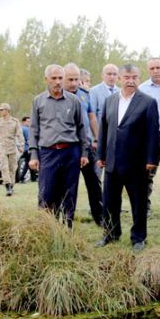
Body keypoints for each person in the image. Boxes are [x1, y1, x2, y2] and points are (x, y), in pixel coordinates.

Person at [96, 64, 160, 252]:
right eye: (127, 77)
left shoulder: (148, 102)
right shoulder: (110, 101)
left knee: (138, 203)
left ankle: (139, 238)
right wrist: (100, 154)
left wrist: (151, 160)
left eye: (135, 77)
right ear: (120, 79)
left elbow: (152, 134)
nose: (131, 81)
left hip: (137, 163)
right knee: (109, 201)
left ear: (139, 79)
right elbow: (104, 130)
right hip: (112, 162)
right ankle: (110, 234)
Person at [28, 64, 89, 227]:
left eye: (60, 78)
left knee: (69, 192)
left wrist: (84, 153)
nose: (57, 82)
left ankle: (67, 227)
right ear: (46, 79)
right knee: (47, 192)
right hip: (48, 153)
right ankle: (47, 228)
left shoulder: (74, 101)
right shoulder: (38, 101)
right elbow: (33, 130)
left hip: (71, 152)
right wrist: (34, 155)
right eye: (53, 78)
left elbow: (81, 127)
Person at [64, 63, 104, 225]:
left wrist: (97, 138)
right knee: (68, 186)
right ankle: (67, 218)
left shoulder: (85, 95)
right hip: (69, 147)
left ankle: (100, 217)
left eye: (76, 80)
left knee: (94, 183)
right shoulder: (60, 97)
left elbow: (92, 116)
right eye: (70, 80)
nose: (74, 83)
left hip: (87, 146)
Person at [139, 58, 160, 216]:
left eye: (158, 67)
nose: (155, 71)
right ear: (148, 70)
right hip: (152, 134)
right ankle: (145, 206)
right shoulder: (142, 89)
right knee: (148, 170)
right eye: (152, 68)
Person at [88, 64, 120, 178]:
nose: (112, 77)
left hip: (116, 139)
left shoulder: (121, 92)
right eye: (109, 74)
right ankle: (98, 195)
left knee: (115, 172)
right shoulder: (94, 92)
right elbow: (91, 116)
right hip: (100, 138)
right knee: (97, 172)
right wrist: (95, 138)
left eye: (114, 74)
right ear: (103, 75)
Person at [0, 103, 24, 196]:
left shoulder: (15, 121)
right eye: (0, 110)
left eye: (2, 110)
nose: (0, 111)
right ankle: (7, 186)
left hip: (12, 146)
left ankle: (11, 185)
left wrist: (21, 145)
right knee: (4, 167)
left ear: (7, 110)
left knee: (13, 167)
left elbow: (19, 134)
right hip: (1, 146)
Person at [16, 116, 35, 183]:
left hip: (24, 148)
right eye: (28, 121)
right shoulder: (26, 129)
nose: (29, 123)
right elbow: (28, 139)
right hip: (27, 149)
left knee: (28, 163)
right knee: (27, 164)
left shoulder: (21, 129)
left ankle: (33, 177)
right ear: (24, 122)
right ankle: (22, 178)